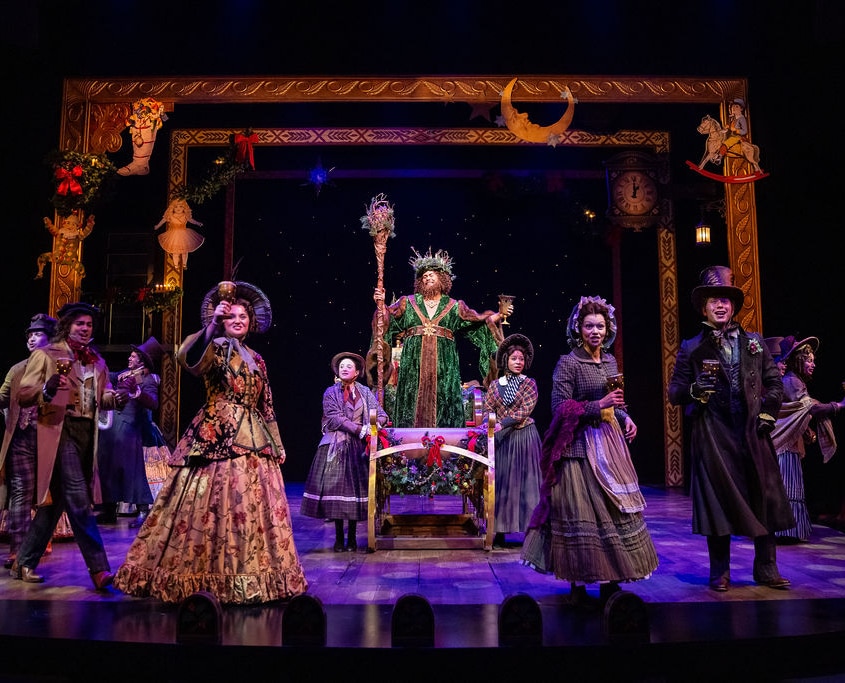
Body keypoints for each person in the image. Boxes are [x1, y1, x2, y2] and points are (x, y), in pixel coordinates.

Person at [113, 281, 307, 604]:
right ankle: (201, 576)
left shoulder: (257, 359)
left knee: (252, 509)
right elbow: (186, 358)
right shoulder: (213, 347)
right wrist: (212, 325)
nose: (239, 321)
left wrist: (277, 442)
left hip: (253, 438)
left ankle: (255, 574)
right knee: (209, 506)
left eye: (243, 316)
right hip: (215, 432)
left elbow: (266, 404)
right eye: (232, 316)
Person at [521, 296, 658, 605]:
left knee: (611, 513)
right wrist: (599, 406)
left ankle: (611, 580)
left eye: (600, 325)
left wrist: (626, 416)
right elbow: (559, 407)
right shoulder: (568, 363)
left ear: (607, 328)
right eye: (588, 326)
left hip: (609, 446)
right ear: (578, 329)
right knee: (581, 513)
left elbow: (615, 399)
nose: (595, 331)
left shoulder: (609, 361)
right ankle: (579, 584)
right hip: (578, 448)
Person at [668, 266, 794, 592]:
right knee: (717, 502)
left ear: (733, 306)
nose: (720, 305)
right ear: (703, 307)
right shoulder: (692, 347)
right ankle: (720, 571)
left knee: (763, 496)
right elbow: (675, 392)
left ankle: (766, 568)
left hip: (753, 431)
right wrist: (695, 390)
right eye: (713, 300)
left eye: (725, 300)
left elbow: (774, 384)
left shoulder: (753, 342)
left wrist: (768, 413)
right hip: (713, 432)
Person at [11, 302, 122, 589]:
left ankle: (23, 561)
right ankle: (99, 569)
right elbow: (23, 393)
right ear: (67, 326)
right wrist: (46, 388)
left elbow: (104, 396)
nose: (85, 329)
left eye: (89, 325)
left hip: (87, 434)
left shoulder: (96, 361)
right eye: (80, 324)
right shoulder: (47, 355)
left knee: (56, 503)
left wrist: (120, 397)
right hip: (60, 431)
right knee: (78, 499)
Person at [372, 247, 507, 428]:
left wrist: (498, 316)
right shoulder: (408, 302)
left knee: (443, 398)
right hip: (414, 363)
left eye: (431, 274)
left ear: (442, 278)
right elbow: (386, 320)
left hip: (444, 364)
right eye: (424, 276)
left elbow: (476, 321)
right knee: (412, 398)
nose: (427, 278)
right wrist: (380, 305)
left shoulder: (454, 306)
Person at [300, 352, 389, 552]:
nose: (344, 368)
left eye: (349, 366)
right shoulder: (330, 392)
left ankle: (353, 537)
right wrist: (360, 429)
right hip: (336, 444)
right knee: (337, 491)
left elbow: (381, 414)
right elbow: (335, 418)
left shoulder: (365, 392)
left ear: (357, 372)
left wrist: (374, 426)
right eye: (341, 366)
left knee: (356, 492)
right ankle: (339, 537)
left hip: (359, 448)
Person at [771, 336, 843, 542]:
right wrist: (839, 405)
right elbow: (809, 408)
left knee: (790, 482)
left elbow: (798, 413)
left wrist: (806, 430)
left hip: (789, 442)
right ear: (798, 361)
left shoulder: (796, 381)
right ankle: (783, 531)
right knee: (786, 482)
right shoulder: (792, 380)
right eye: (809, 360)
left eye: (813, 360)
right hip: (782, 444)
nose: (813, 364)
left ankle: (786, 530)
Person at [0, 313, 57, 569]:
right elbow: (2, 397)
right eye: (29, 335)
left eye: (38, 334)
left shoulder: (58, 367)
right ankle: (18, 551)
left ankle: (38, 542)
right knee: (21, 494)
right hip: (21, 438)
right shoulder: (17, 369)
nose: (32, 339)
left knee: (46, 495)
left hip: (49, 438)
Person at [97, 336, 168, 528]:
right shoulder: (123, 374)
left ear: (142, 360)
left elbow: (153, 403)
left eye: (133, 355)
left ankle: (143, 508)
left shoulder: (147, 380)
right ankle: (109, 508)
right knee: (107, 466)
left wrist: (137, 393)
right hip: (112, 426)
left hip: (130, 427)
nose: (129, 357)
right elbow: (107, 375)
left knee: (132, 470)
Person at [483, 333, 542, 548]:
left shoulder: (529, 384)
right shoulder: (495, 384)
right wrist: (491, 423)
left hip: (524, 437)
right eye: (514, 358)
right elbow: (488, 408)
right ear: (506, 360)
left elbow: (525, 409)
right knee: (501, 484)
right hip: (501, 441)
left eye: (522, 359)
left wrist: (502, 422)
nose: (519, 362)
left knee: (526, 484)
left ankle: (531, 530)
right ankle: (498, 529)